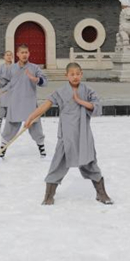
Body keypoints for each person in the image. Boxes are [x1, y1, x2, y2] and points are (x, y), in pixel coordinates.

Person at [24, 63, 112, 206]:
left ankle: (101, 194)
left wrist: (80, 101)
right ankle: (49, 195)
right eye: (72, 74)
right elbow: (45, 105)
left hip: (83, 135)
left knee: (90, 163)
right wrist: (30, 117)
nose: (75, 76)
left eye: (78, 73)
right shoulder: (60, 92)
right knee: (58, 163)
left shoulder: (88, 91)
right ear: (66, 76)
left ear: (81, 74)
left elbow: (96, 106)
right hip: (66, 135)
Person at [0, 44, 47, 159]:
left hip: (30, 103)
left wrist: (35, 79)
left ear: (29, 54)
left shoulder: (35, 68)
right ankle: (2, 151)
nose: (24, 55)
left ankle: (42, 151)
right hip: (15, 103)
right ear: (17, 54)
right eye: (22, 52)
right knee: (9, 129)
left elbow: (45, 82)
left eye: (26, 52)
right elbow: (1, 82)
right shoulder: (11, 69)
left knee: (36, 128)